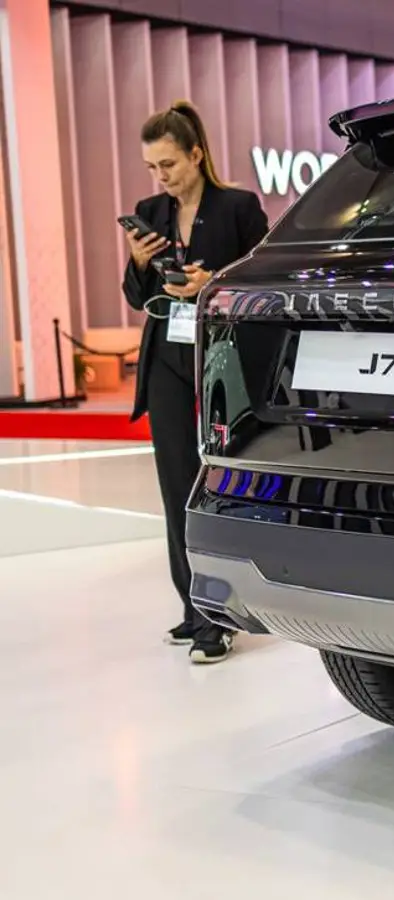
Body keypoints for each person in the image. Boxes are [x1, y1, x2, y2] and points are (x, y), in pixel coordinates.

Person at [121, 101, 269, 664]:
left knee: (220, 484)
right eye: (152, 167)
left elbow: (263, 279)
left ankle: (222, 616)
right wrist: (140, 264)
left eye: (168, 164)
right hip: (166, 354)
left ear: (196, 155)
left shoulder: (237, 207)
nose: (160, 176)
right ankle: (195, 609)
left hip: (221, 355)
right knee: (175, 482)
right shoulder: (149, 212)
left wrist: (215, 281)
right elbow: (136, 297)